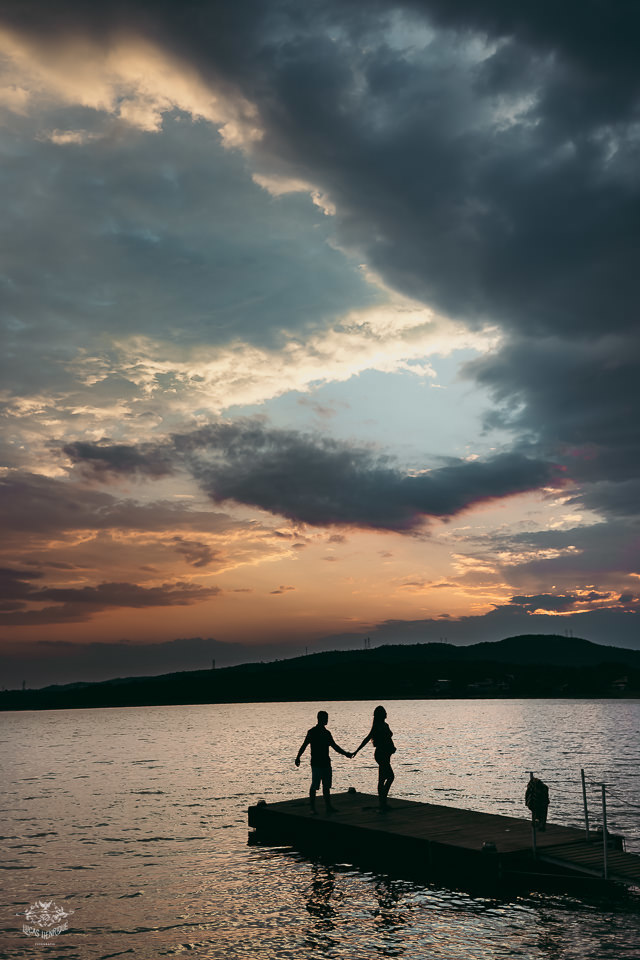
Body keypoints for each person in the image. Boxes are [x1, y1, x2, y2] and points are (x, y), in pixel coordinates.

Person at [295, 710, 352, 813]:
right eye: (325, 718)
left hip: (326, 763)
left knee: (326, 786)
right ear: (320, 719)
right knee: (315, 786)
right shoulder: (312, 732)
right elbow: (304, 745)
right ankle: (313, 808)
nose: (326, 720)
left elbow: (335, 747)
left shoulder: (326, 733)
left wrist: (345, 754)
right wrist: (298, 757)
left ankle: (328, 807)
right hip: (317, 763)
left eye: (327, 718)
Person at [353, 705, 396, 809]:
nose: (386, 713)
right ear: (380, 715)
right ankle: (382, 800)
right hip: (381, 754)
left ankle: (382, 801)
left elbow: (388, 739)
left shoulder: (385, 725)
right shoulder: (377, 726)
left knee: (383, 777)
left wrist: (392, 747)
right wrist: (357, 750)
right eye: (384, 712)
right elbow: (367, 738)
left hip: (386, 753)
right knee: (389, 777)